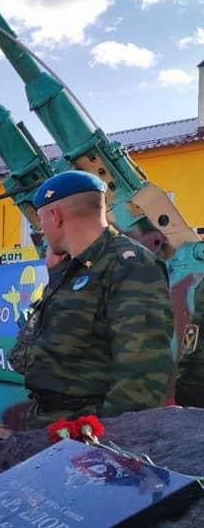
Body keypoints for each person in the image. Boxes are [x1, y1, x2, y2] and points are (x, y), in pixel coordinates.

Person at [14, 170, 174, 427]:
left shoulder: (130, 265)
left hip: (86, 432)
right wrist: (55, 276)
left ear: (55, 217)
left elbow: (143, 372)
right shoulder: (70, 268)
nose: (40, 231)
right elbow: (29, 351)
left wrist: (105, 439)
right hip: (49, 422)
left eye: (39, 221)